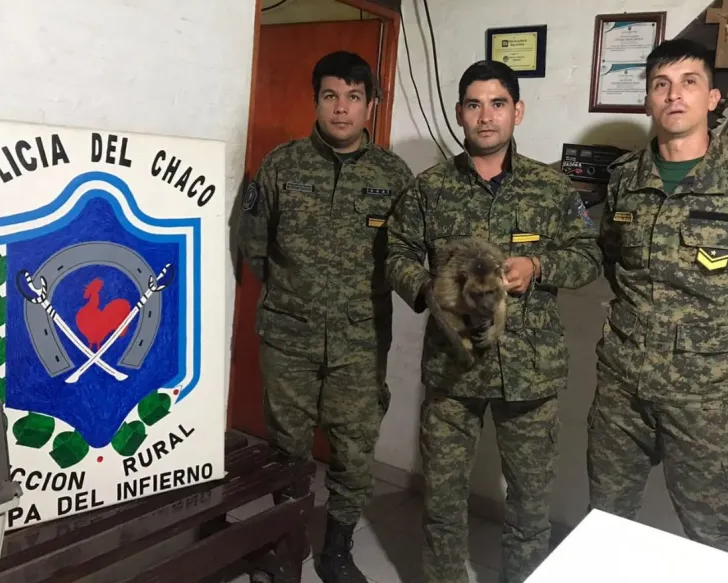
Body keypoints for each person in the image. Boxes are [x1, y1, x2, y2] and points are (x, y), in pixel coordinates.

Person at [587, 38, 728, 556]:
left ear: (711, 98)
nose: (674, 95)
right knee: (606, 522)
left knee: (715, 537)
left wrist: (724, 338)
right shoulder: (625, 179)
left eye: (689, 82)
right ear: (648, 100)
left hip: (706, 397)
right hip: (622, 386)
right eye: (661, 85)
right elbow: (613, 259)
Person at [385, 60, 602, 582]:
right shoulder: (430, 188)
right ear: (460, 113)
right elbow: (396, 252)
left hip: (529, 372)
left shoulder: (551, 189)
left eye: (498, 104)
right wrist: (431, 291)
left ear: (517, 112)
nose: (486, 116)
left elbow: (589, 257)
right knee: (442, 500)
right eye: (474, 105)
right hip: (452, 367)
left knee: (529, 505)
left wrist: (539, 266)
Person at [238, 50, 414, 583]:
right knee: (286, 446)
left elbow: (405, 253)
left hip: (360, 342)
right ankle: (286, 541)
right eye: (331, 96)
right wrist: (297, 295)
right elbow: (254, 244)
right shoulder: (282, 165)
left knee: (354, 450)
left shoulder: (393, 175)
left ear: (370, 105)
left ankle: (337, 549)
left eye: (354, 97)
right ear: (315, 101)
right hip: (288, 336)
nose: (341, 109)